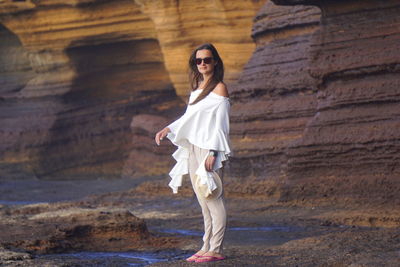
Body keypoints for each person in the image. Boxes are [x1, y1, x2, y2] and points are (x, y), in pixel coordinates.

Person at [155, 43, 231, 263]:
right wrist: (168, 128)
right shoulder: (197, 88)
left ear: (215, 62)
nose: (203, 64)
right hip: (194, 148)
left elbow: (221, 125)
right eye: (199, 61)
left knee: (213, 197)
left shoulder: (220, 88)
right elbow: (189, 119)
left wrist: (214, 152)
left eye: (207, 60)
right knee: (202, 199)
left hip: (210, 148)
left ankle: (216, 248)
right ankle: (206, 245)